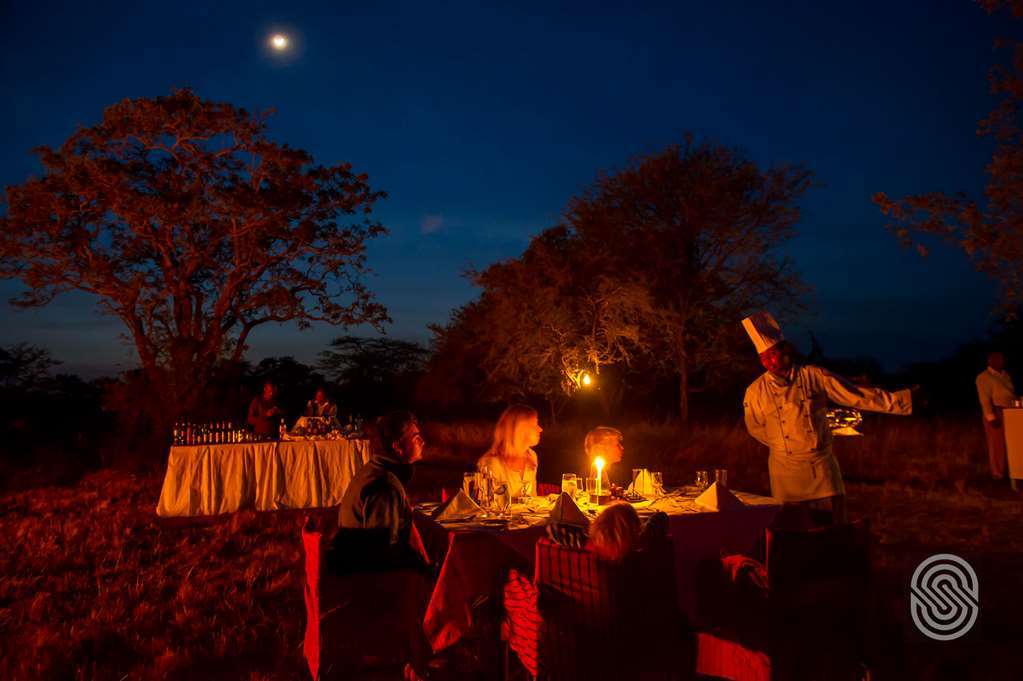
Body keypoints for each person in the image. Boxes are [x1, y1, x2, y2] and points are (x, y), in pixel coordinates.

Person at [741, 311, 915, 524]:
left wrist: (903, 401)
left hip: (820, 466)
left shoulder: (814, 375)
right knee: (792, 531)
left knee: (832, 528)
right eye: (764, 358)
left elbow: (856, 396)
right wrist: (782, 446)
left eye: (773, 354)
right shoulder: (755, 391)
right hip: (784, 472)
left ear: (785, 350)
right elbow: (755, 428)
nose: (769, 362)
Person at [334, 410, 429, 573]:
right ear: (398, 447)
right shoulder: (385, 486)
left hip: (356, 560)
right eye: (416, 438)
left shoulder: (377, 469)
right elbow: (380, 552)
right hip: (362, 577)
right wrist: (422, 569)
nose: (423, 442)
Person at [477, 404, 543, 499]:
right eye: (534, 425)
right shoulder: (491, 464)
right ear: (520, 429)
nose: (540, 429)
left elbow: (532, 501)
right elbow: (487, 505)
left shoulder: (532, 456)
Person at [976, 351, 1016, 480]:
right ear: (990, 361)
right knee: (996, 444)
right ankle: (997, 474)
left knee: (1012, 443)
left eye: (1002, 359)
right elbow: (984, 399)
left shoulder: (1005, 375)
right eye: (997, 359)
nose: (1001, 361)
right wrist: (991, 417)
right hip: (996, 411)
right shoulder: (984, 377)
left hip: (1011, 411)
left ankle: (1013, 471)